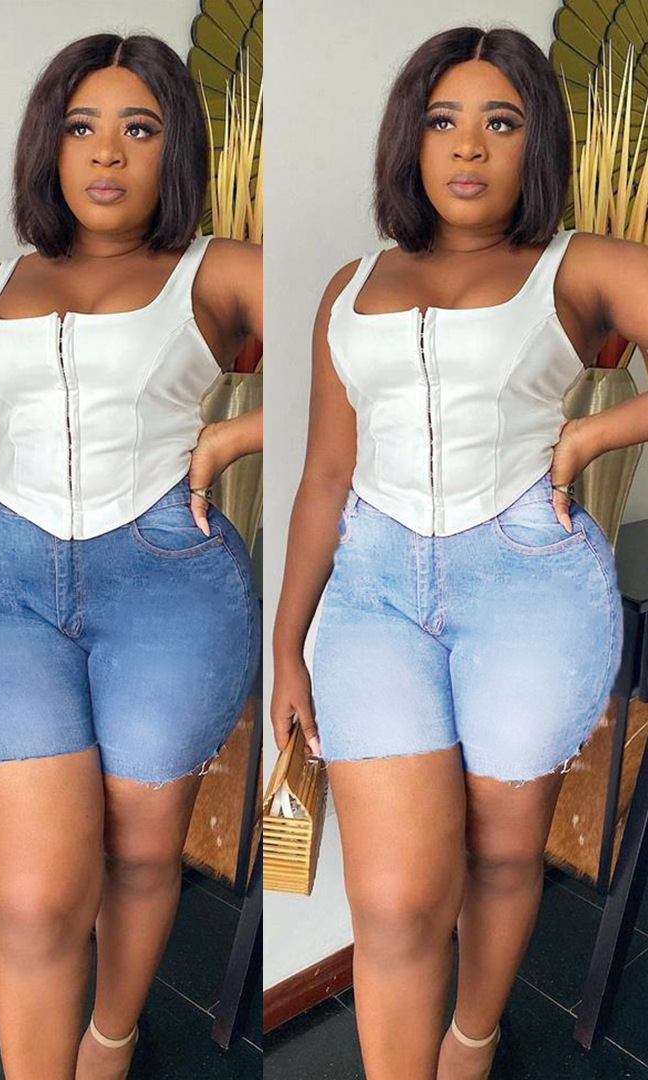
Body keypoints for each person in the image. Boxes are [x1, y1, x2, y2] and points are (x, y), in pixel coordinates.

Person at [271, 25, 648, 1080]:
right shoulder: (350, 285)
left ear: (538, 142)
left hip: (529, 584)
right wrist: (286, 645)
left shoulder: (575, 265)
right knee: (394, 903)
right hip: (374, 592)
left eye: (501, 121)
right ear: (411, 137)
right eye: (443, 120)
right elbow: (324, 477)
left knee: (503, 850)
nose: (469, 145)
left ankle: (472, 1039)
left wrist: (592, 435)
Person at [0, 33, 262, 1080]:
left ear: (174, 148)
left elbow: (365, 374)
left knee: (144, 852)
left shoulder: (217, 271)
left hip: (169, 586)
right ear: (49, 145)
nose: (107, 152)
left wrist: (231, 439)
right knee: (31, 904)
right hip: (13, 594)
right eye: (82, 126)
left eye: (138, 128)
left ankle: (110, 1040)